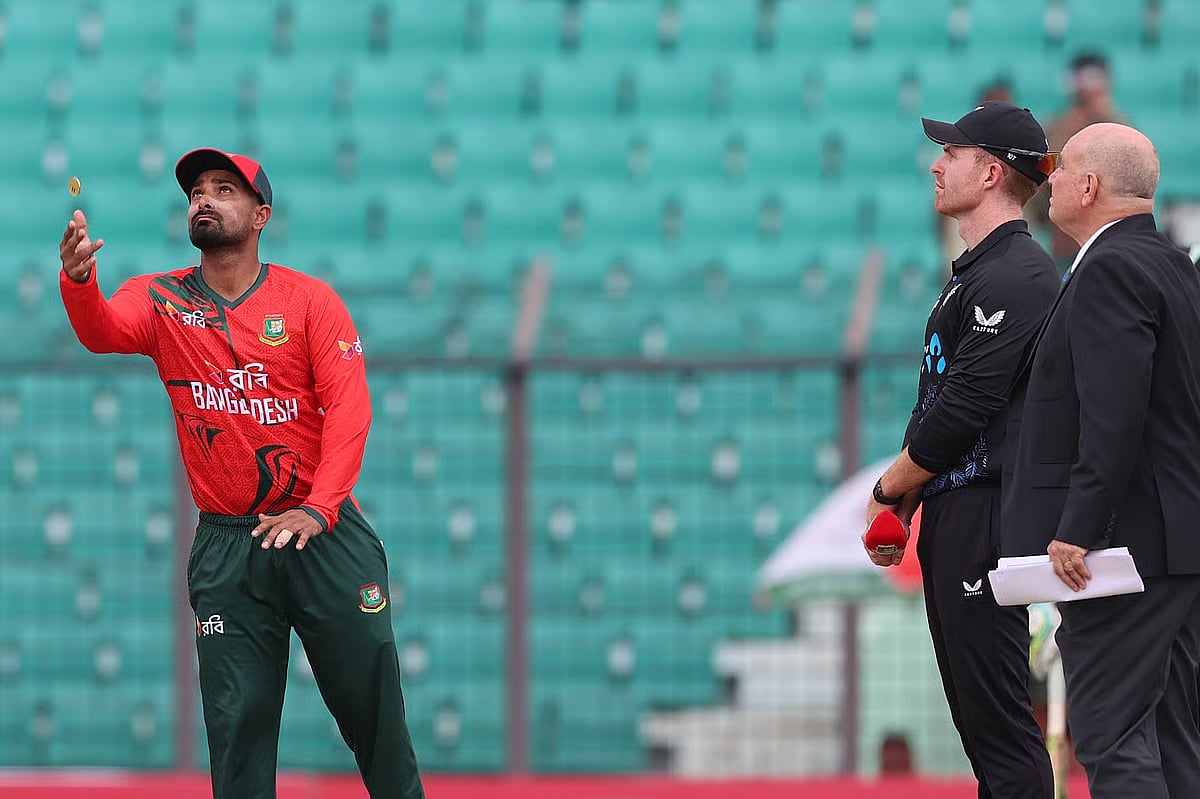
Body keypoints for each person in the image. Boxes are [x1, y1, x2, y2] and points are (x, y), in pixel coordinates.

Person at [58, 149, 425, 799]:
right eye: (197, 190)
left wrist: (318, 507)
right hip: (229, 545)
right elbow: (104, 332)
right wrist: (80, 281)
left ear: (260, 215)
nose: (205, 198)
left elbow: (350, 409)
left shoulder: (310, 302)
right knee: (238, 730)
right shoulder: (161, 298)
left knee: (376, 715)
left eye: (223, 189)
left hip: (323, 535)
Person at [863, 102, 1059, 799]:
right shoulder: (981, 273)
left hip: (987, 515)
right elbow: (944, 408)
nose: (936, 164)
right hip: (960, 512)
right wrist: (910, 500)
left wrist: (891, 487)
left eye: (952, 153)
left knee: (1002, 734)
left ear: (990, 171)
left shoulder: (1020, 276)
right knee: (985, 734)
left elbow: (965, 407)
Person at [1003, 123, 1200, 799]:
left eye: (1062, 170)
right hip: (1176, 544)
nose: (1050, 180)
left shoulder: (1110, 267)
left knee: (1112, 735)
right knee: (1176, 738)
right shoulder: (1171, 263)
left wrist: (1079, 524)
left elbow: (1114, 412)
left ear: (1088, 186)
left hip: (1125, 550)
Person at [1031, 52, 1127, 269]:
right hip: (1064, 233)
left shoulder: (1120, 126)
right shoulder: (1057, 125)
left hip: (1109, 227)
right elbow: (1046, 171)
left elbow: (1130, 171)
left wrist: (1103, 113)